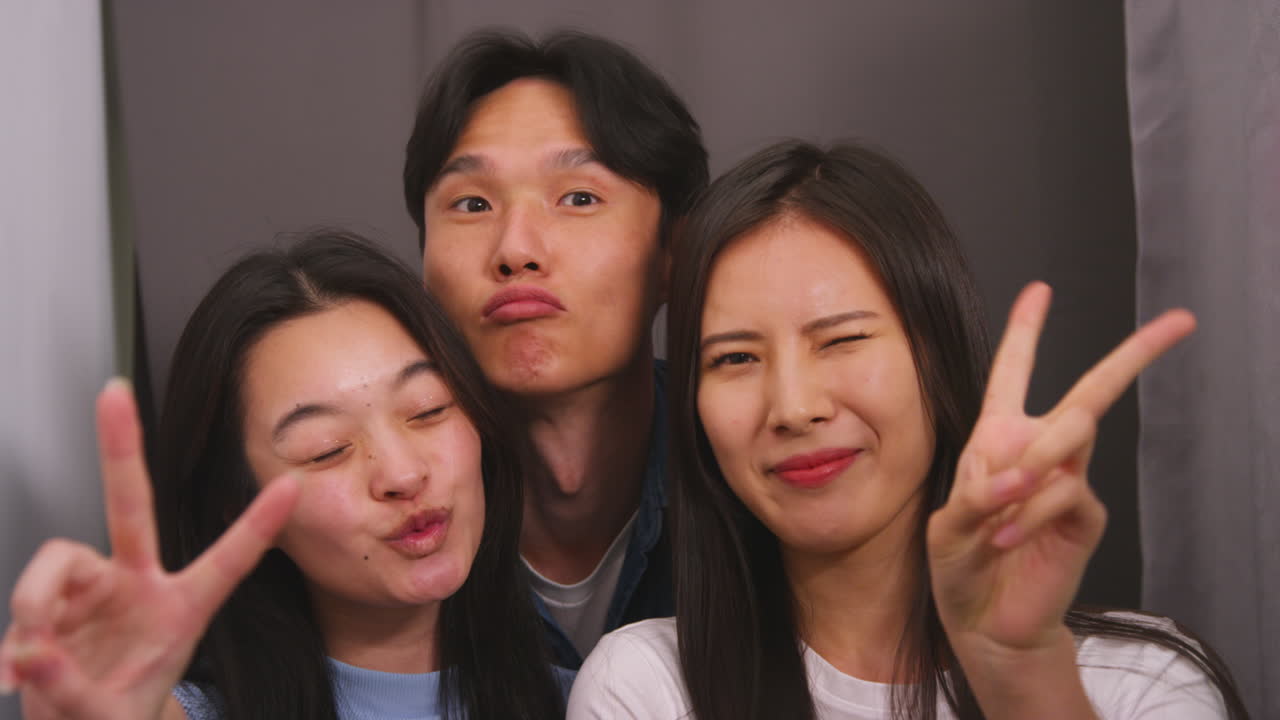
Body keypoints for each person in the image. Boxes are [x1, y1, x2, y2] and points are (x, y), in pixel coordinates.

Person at [567, 141, 1250, 719]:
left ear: (937, 356)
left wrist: (1022, 677)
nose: (793, 407)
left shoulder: (1141, 686)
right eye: (735, 358)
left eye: (841, 341)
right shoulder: (649, 688)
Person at [0, 231, 567, 719]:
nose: (401, 472)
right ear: (237, 506)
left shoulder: (606, 700)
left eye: (427, 410)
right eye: (326, 450)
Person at [402, 30, 710, 668]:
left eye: (579, 198)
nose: (517, 249)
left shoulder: (748, 472)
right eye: (472, 203)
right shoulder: (384, 501)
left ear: (672, 255)